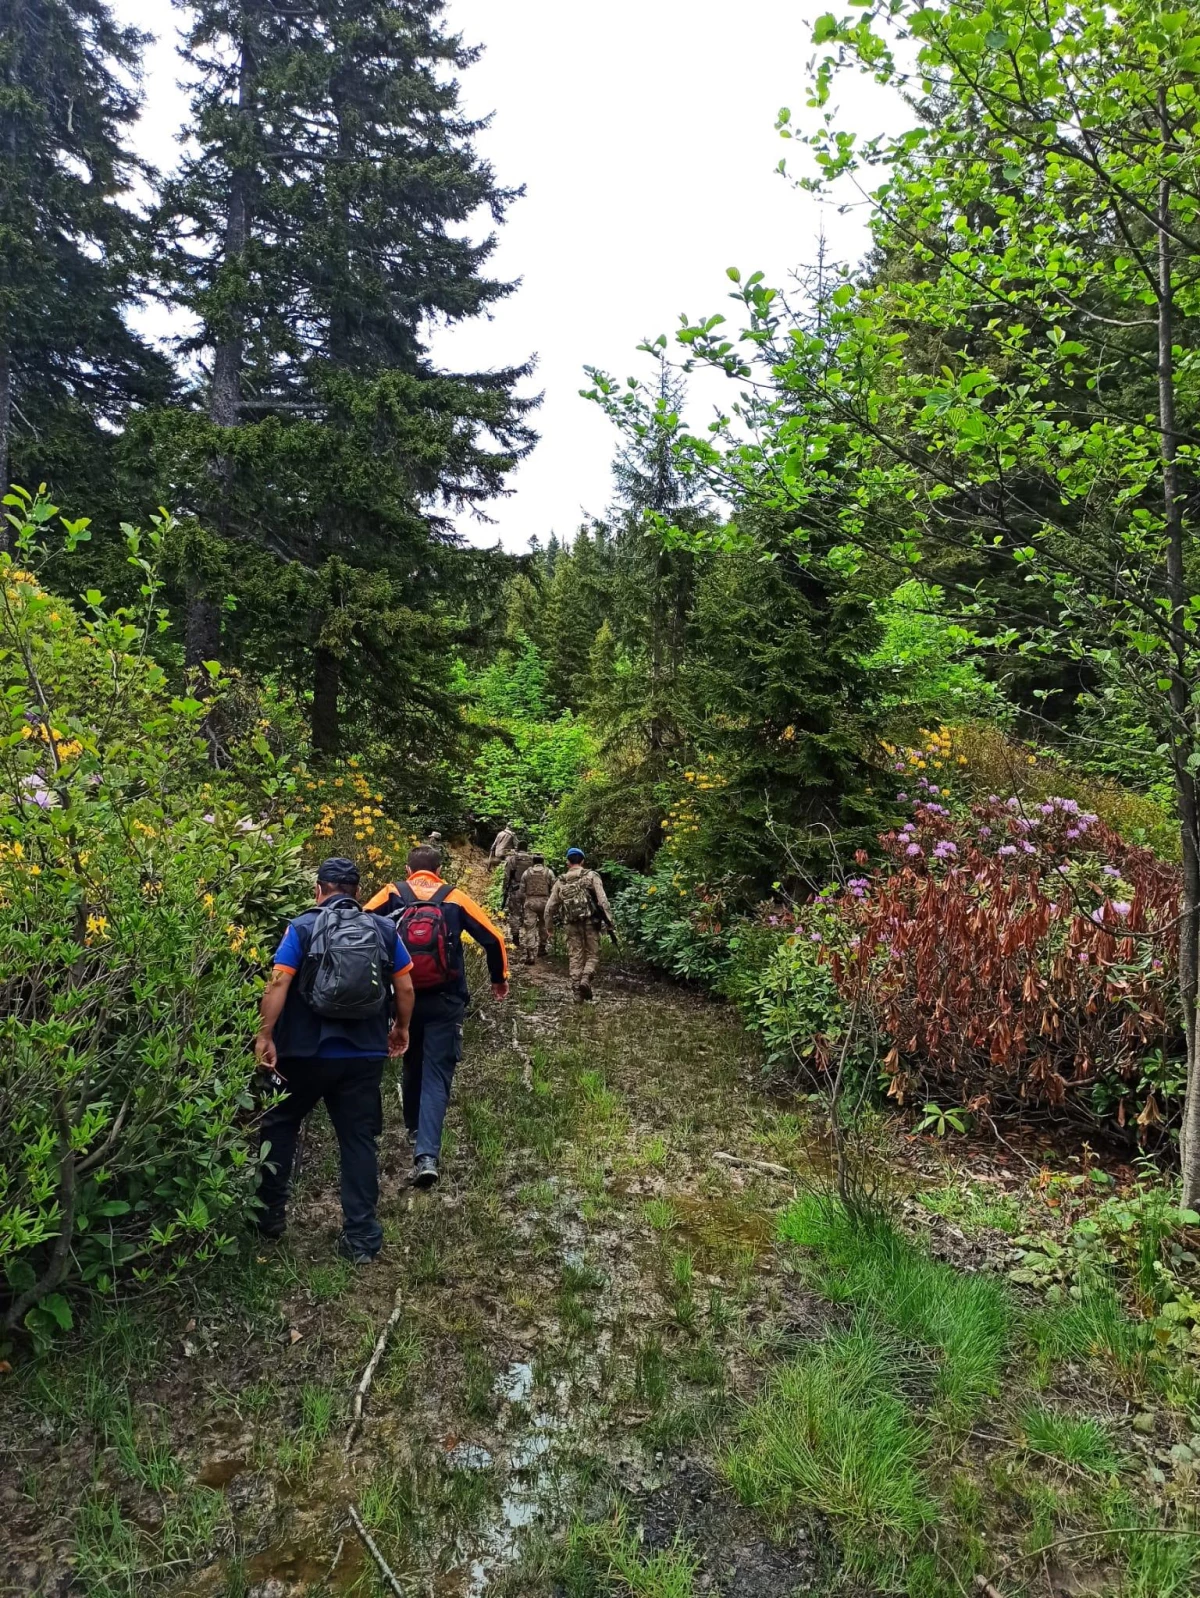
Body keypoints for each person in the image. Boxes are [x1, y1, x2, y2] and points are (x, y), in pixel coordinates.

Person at [254, 857, 415, 1263]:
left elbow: (279, 982)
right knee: (358, 1141)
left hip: (303, 1053)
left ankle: (269, 1218)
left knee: (280, 1124)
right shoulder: (382, 928)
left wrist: (265, 1034)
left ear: (318, 889)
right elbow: (406, 987)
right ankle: (361, 1238)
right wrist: (400, 1029)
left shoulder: (302, 926)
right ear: (358, 892)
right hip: (362, 1055)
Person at [365, 845, 508, 1188]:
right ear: (439, 871)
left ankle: (415, 1128)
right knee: (436, 1074)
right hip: (446, 1000)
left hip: (403, 998)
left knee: (411, 1059)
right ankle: (426, 1154)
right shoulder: (454, 897)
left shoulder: (392, 893)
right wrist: (497, 979)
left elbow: (357, 923)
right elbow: (494, 939)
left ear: (407, 868)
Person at [545, 848, 613, 1001]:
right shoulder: (591, 876)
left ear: (568, 862)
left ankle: (577, 990)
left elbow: (550, 907)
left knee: (575, 955)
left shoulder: (560, 881)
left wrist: (549, 927)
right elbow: (603, 901)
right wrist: (609, 921)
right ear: (582, 861)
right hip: (591, 922)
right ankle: (586, 979)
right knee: (592, 954)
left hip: (570, 924)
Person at [517, 853, 555, 965]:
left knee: (530, 928)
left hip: (530, 902)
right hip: (545, 902)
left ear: (533, 862)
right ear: (543, 862)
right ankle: (542, 949)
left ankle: (530, 954)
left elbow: (521, 891)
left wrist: (526, 901)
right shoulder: (549, 872)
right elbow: (554, 889)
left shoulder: (526, 873)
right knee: (544, 925)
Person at [502, 841, 535, 935]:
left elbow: (507, 876)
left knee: (515, 913)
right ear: (527, 848)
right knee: (529, 914)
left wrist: (505, 890)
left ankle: (515, 935)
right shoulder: (532, 860)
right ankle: (529, 937)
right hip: (529, 891)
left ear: (518, 848)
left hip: (515, 889)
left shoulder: (512, 859)